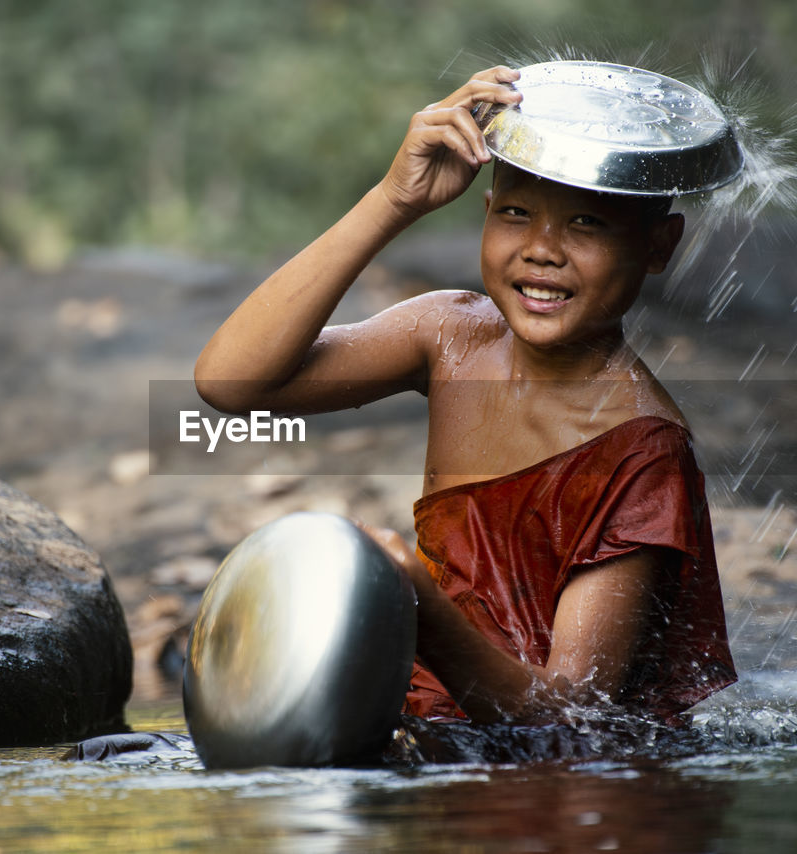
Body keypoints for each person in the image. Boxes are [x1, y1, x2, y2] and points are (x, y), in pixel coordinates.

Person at [194, 66, 736, 727]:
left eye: (587, 224)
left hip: (555, 798)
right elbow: (229, 382)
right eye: (515, 213)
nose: (542, 250)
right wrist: (394, 200)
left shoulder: (642, 454)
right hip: (426, 732)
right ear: (484, 214)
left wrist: (421, 608)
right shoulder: (450, 336)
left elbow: (571, 719)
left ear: (658, 245)